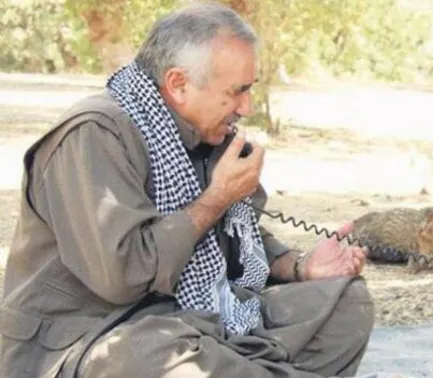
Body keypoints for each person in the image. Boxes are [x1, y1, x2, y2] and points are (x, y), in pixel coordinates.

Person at [0, 2, 375, 377]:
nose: (246, 107)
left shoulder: (206, 132)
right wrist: (217, 197)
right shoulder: (95, 135)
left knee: (345, 302)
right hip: (94, 333)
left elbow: (233, 238)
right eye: (237, 91)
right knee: (167, 359)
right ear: (178, 83)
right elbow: (124, 277)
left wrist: (299, 266)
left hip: (196, 318)